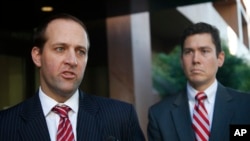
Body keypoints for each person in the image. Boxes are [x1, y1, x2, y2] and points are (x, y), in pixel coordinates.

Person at [0, 13, 145, 141]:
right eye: (60, 49)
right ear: (37, 56)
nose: (72, 61)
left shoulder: (121, 117)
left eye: (80, 51)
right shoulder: (5, 125)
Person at [147, 22, 250, 141]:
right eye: (188, 52)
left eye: (204, 51)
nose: (195, 59)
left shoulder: (246, 107)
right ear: (182, 60)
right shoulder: (159, 115)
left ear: (220, 59)